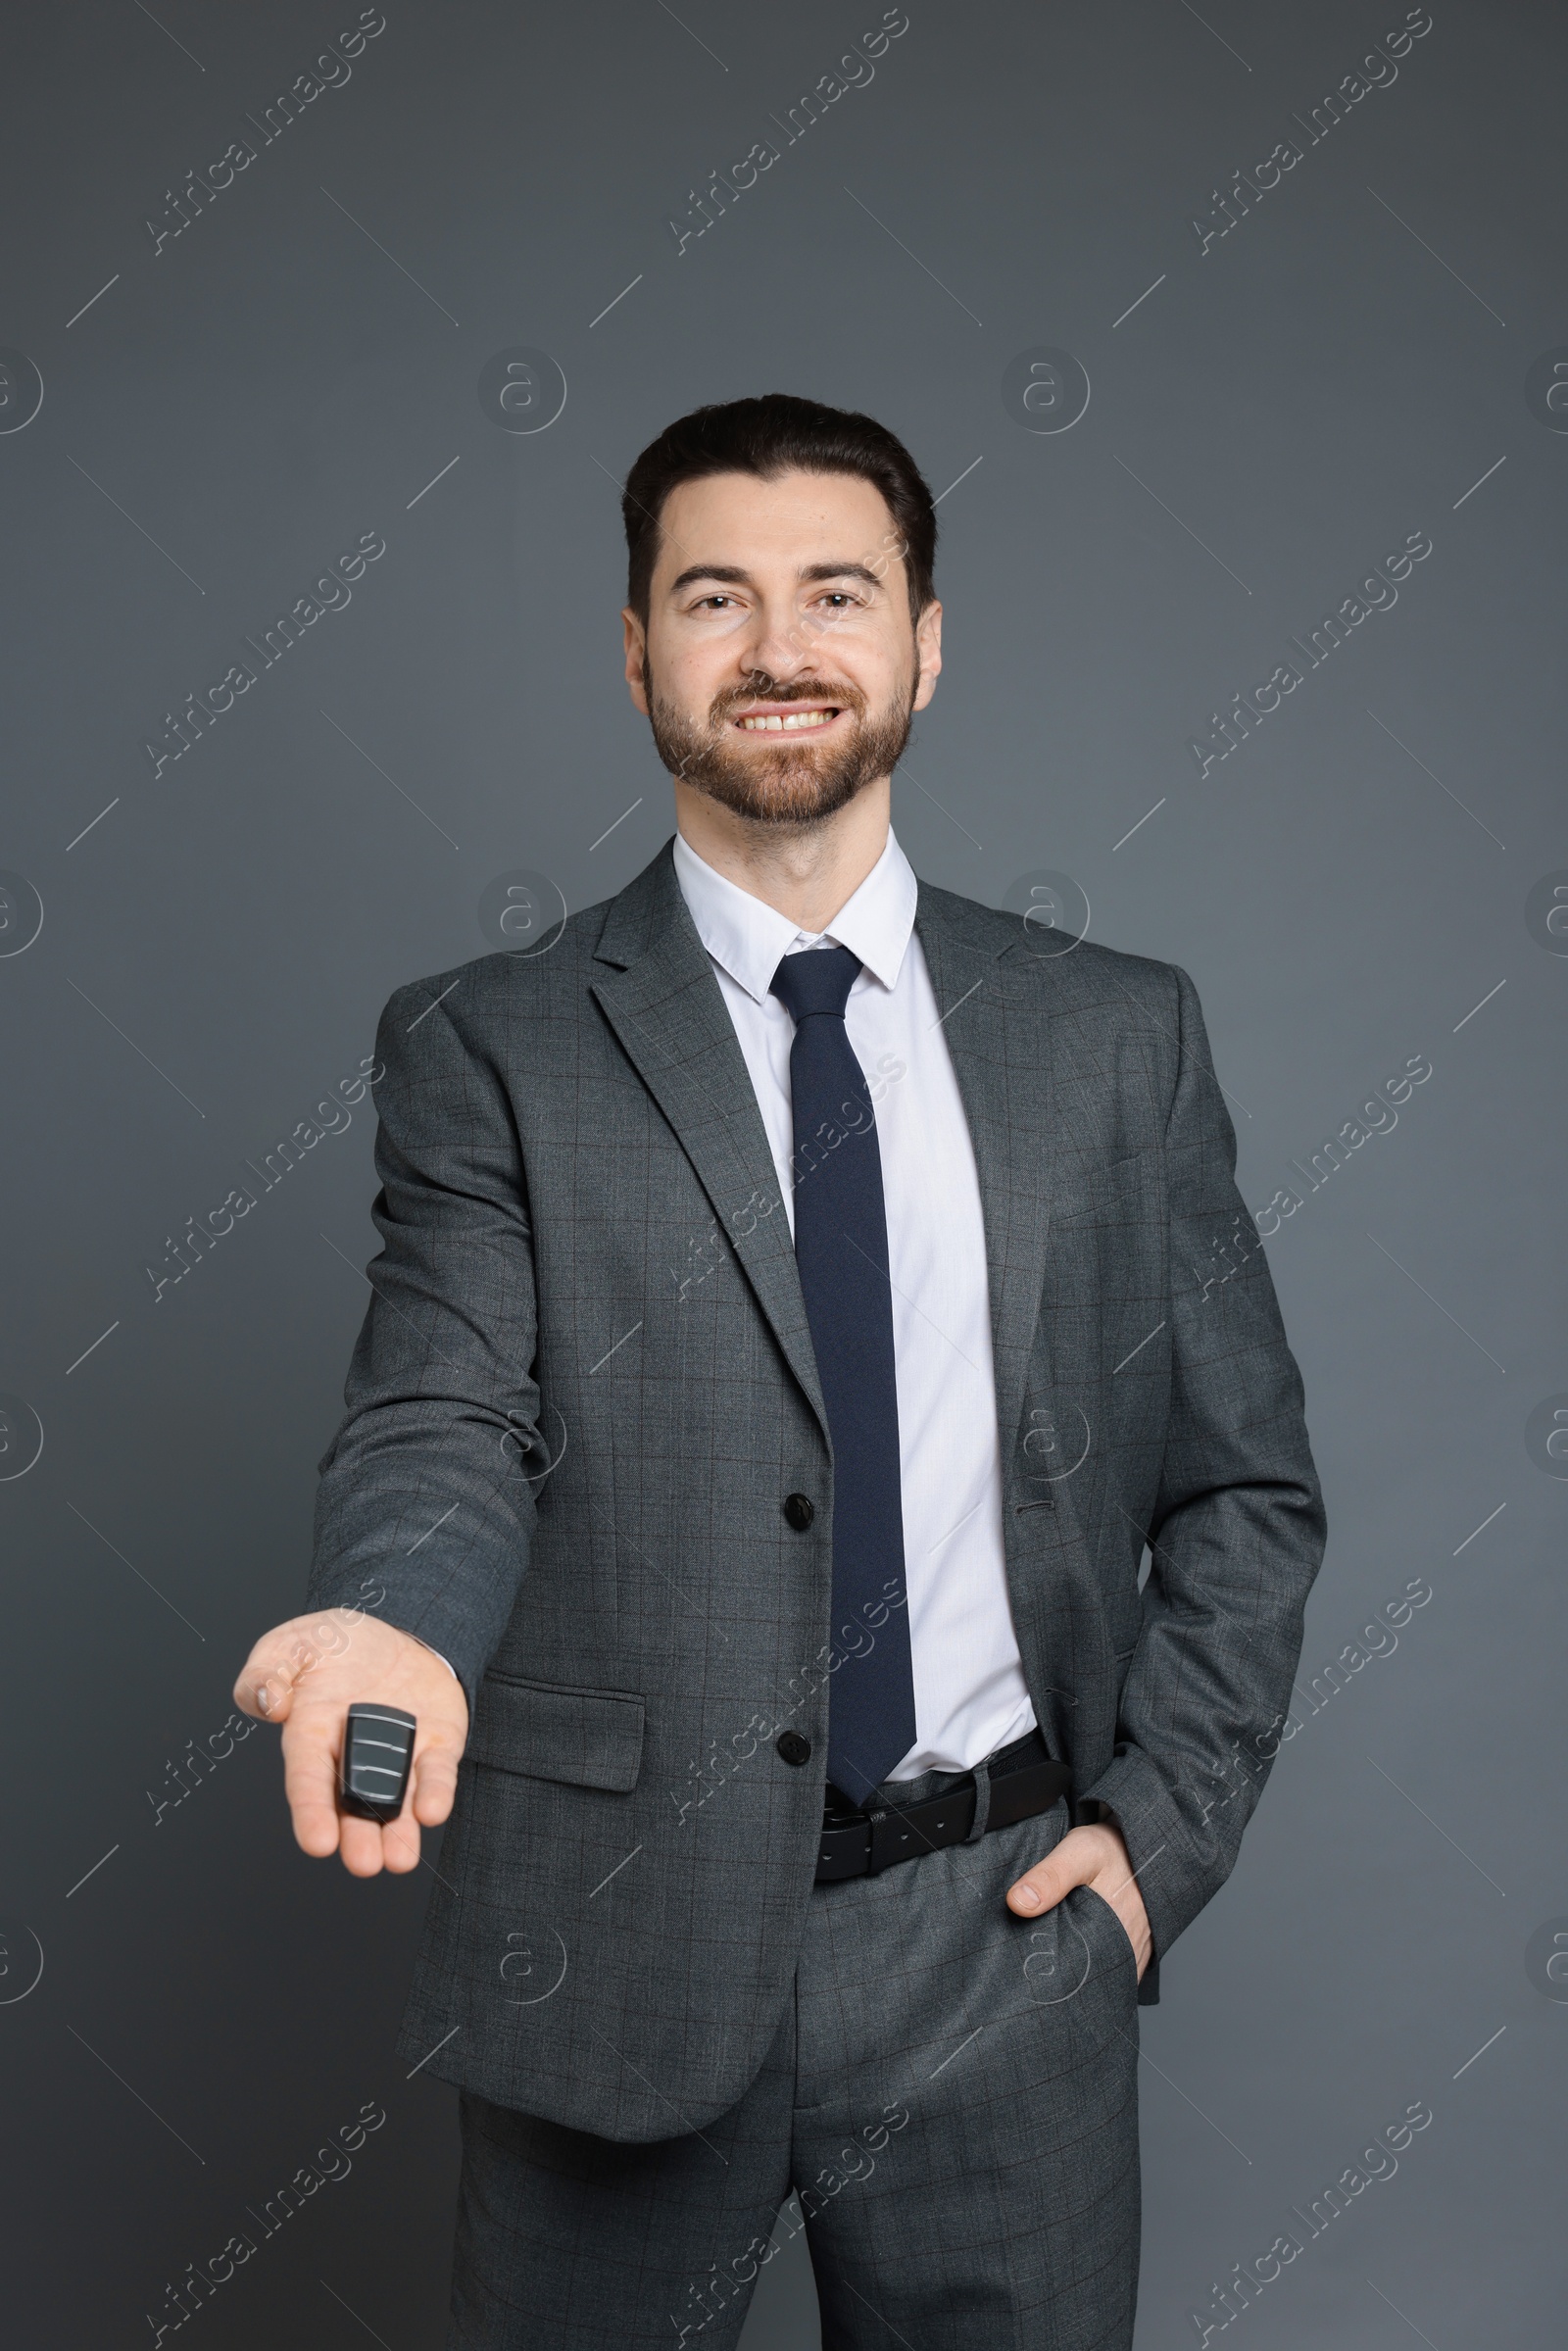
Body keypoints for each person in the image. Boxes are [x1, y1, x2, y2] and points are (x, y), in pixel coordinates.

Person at [234, 393, 1325, 2348]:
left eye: (837, 591)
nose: (778, 650)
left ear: (925, 637)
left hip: (1003, 1948)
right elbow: (446, 1409)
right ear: (635, 648)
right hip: (609, 1938)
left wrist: (1155, 1851)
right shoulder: (492, 1046)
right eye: (711, 597)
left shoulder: (1113, 1040)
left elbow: (1242, 1488)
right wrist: (393, 1619)